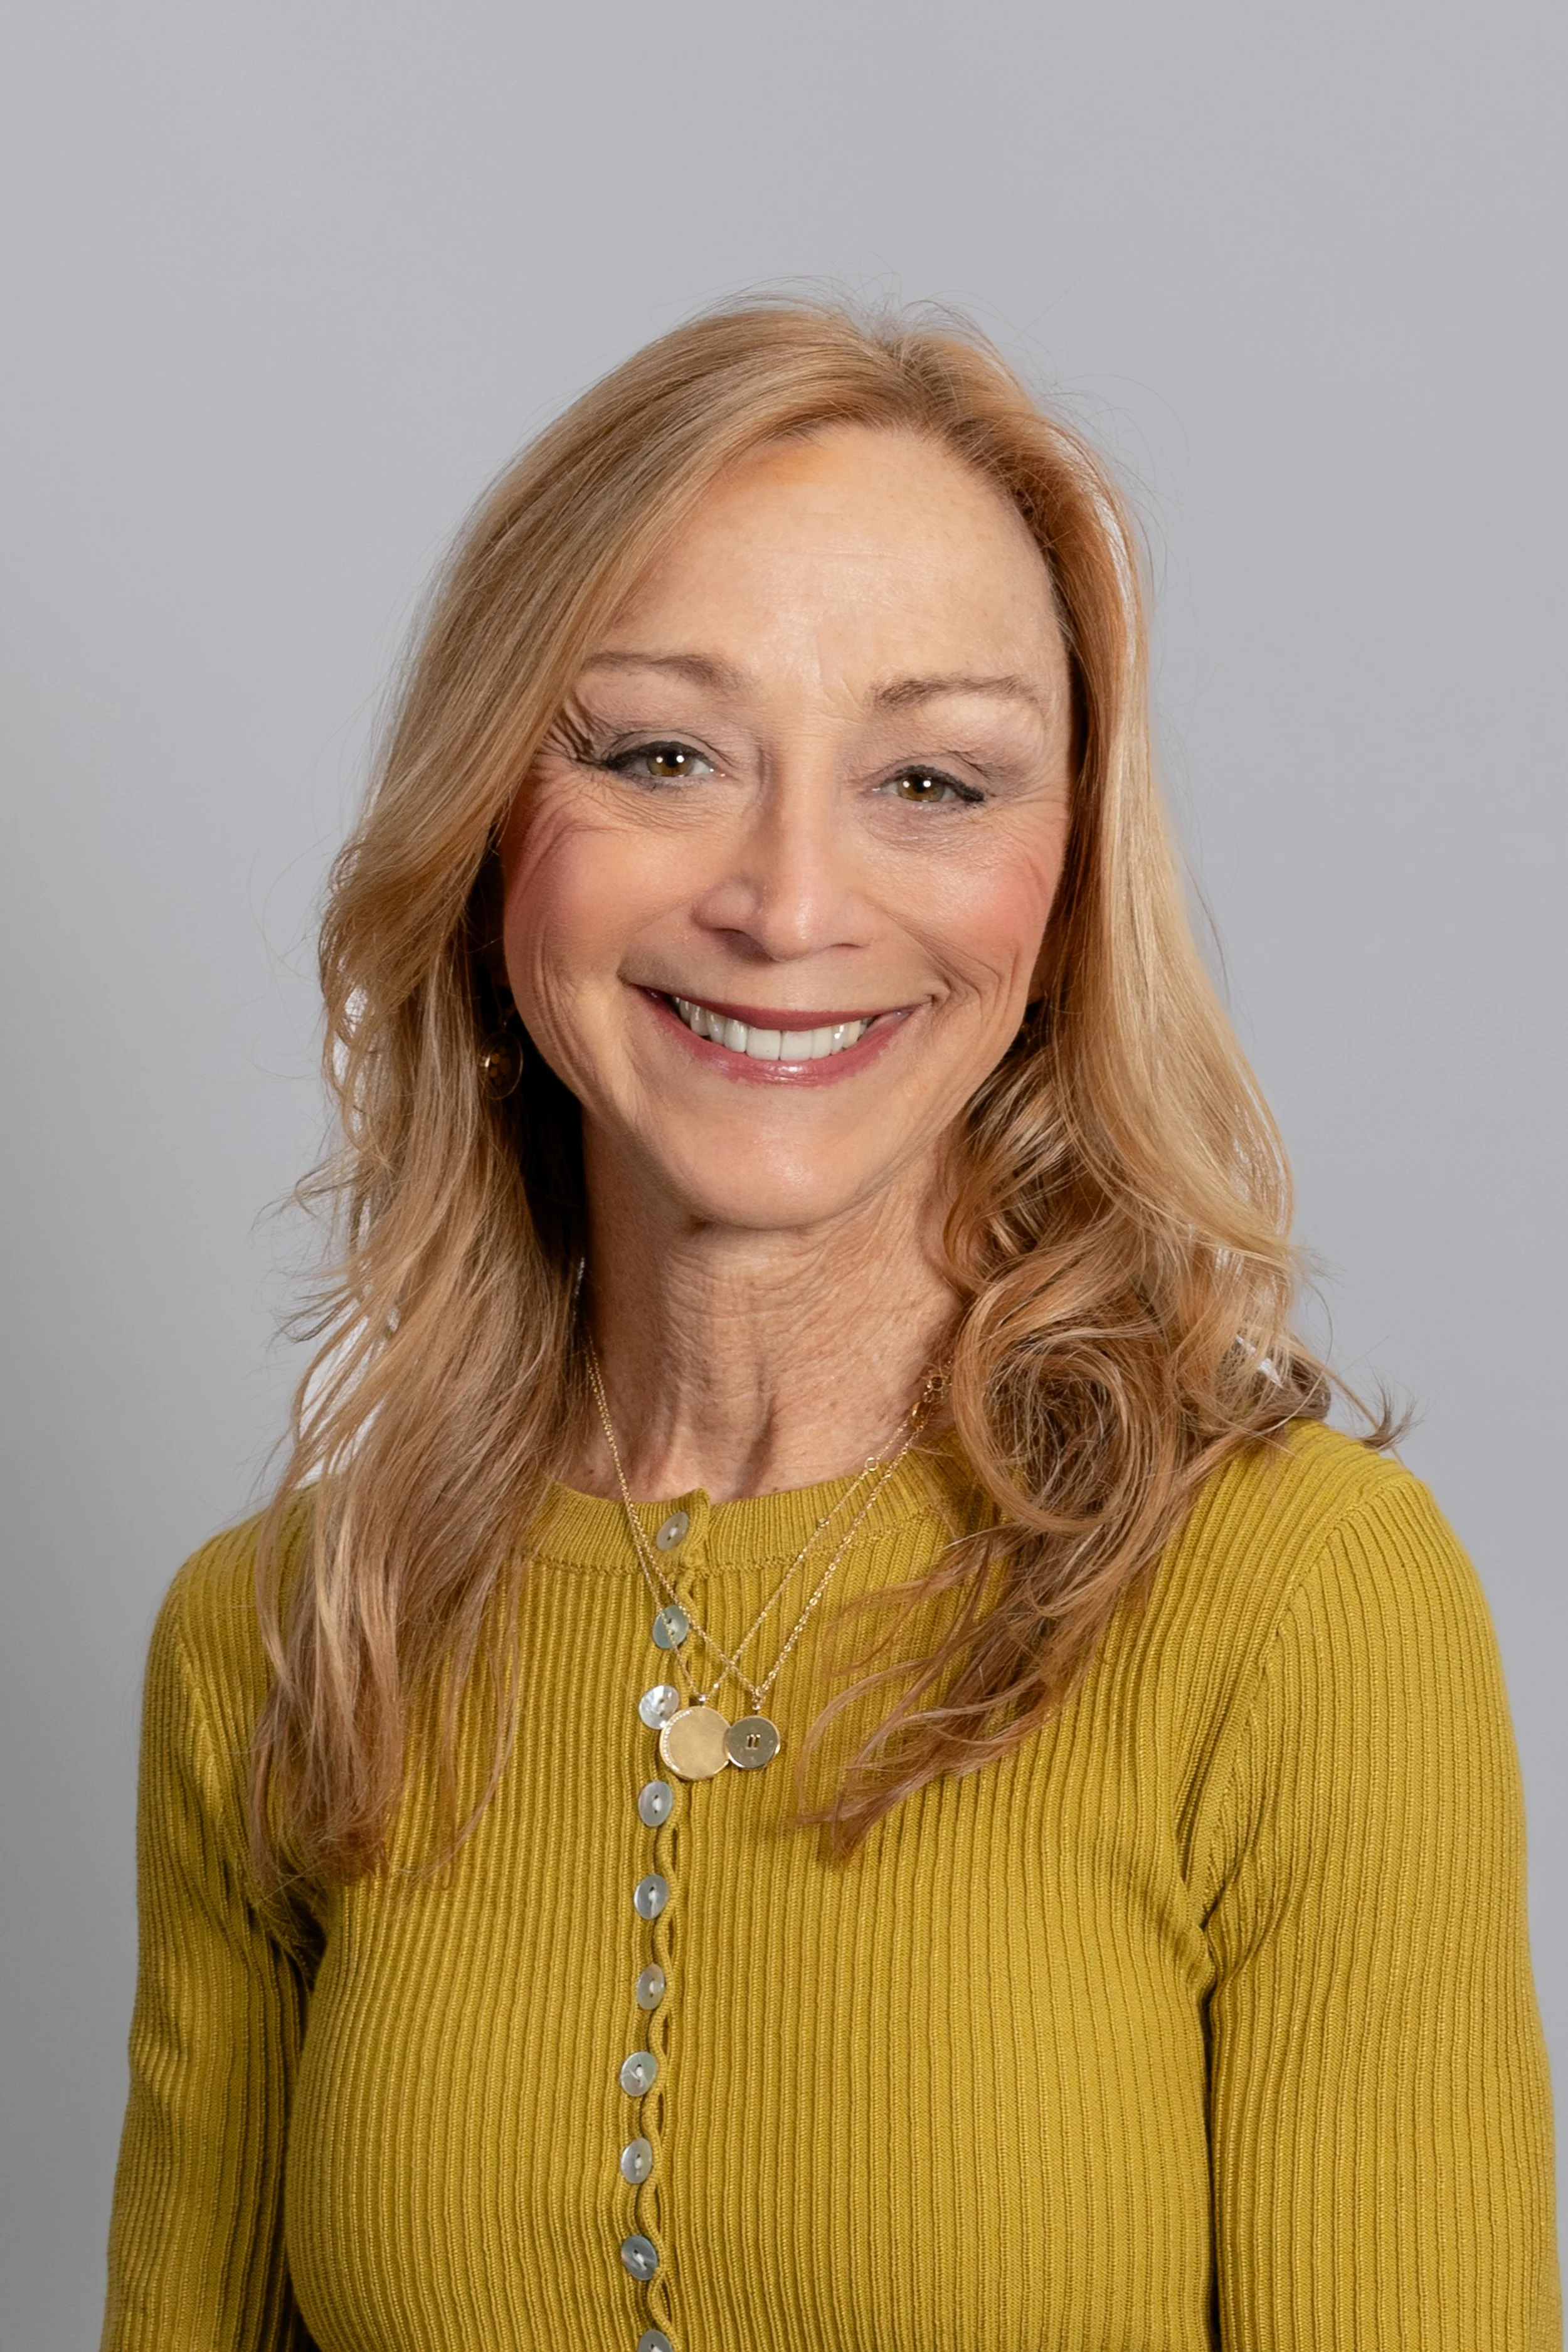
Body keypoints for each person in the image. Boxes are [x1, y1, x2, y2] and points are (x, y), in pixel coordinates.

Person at [100, 300, 1559, 2352]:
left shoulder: (1298, 1602)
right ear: (491, 823)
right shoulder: (278, 1640)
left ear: (1061, 890)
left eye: (932, 779)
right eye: (660, 753)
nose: (788, 905)